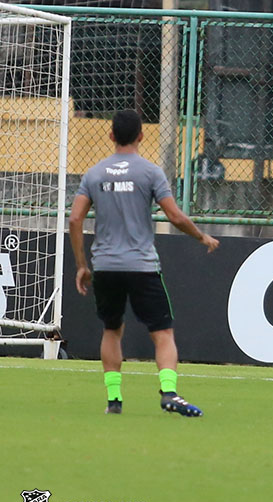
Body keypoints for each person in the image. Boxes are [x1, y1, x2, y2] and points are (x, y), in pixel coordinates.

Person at [69, 109, 219, 416]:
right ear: (141, 135)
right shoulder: (150, 172)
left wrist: (82, 265)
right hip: (141, 266)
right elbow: (174, 215)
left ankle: (114, 401)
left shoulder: (94, 174)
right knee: (162, 332)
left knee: (112, 329)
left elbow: (74, 219)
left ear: (111, 135)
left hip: (107, 266)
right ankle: (169, 393)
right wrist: (201, 237)